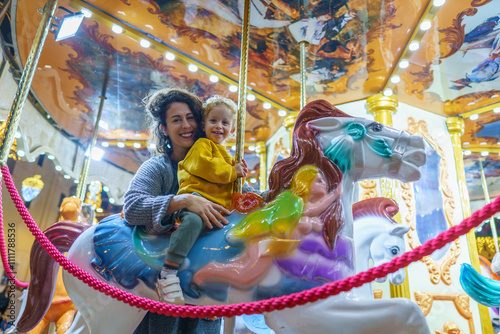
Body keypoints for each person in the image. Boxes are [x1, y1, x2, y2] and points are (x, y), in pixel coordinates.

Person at [123, 88, 231, 333]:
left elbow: (245, 199)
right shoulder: (158, 167)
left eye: (191, 117)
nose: (186, 125)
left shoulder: (219, 166)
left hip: (207, 276)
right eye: (176, 119)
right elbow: (132, 208)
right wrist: (184, 201)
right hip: (164, 283)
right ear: (164, 128)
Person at [155, 95, 248, 305]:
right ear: (203, 124)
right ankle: (169, 271)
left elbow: (232, 183)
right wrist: (232, 171)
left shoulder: (225, 153)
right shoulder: (202, 145)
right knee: (193, 222)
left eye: (225, 123)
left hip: (217, 208)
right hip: (195, 199)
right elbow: (208, 168)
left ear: (232, 130)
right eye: (213, 120)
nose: (219, 126)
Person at [192, 165, 341, 288]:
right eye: (319, 181)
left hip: (277, 247)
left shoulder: (296, 202)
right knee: (245, 277)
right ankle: (211, 271)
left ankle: (214, 271)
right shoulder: (294, 200)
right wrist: (334, 195)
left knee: (245, 271)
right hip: (264, 243)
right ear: (306, 183)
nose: (324, 184)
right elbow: (311, 210)